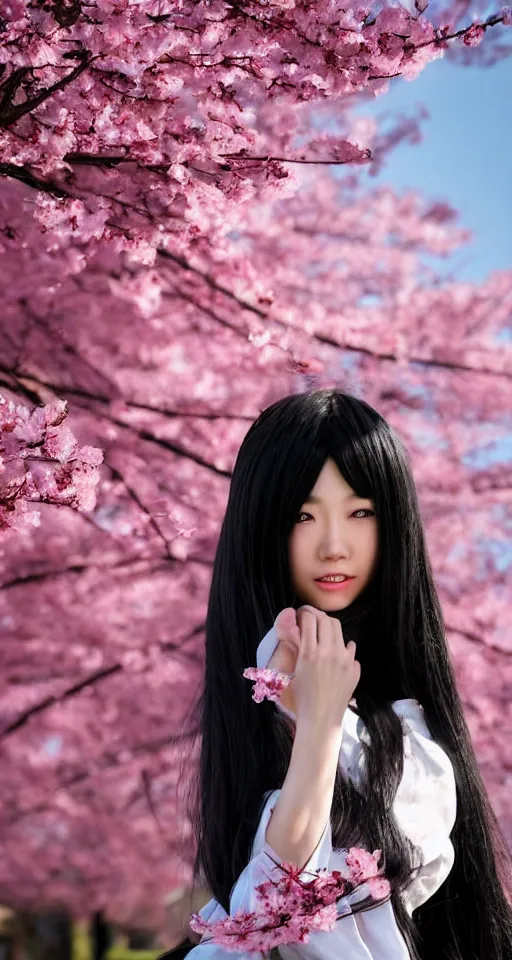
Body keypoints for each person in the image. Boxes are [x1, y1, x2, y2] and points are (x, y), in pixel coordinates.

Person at [175, 389, 512, 960]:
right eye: (304, 515)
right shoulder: (268, 685)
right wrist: (320, 721)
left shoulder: (409, 728)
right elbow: (276, 905)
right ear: (263, 530)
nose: (334, 547)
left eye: (361, 513)